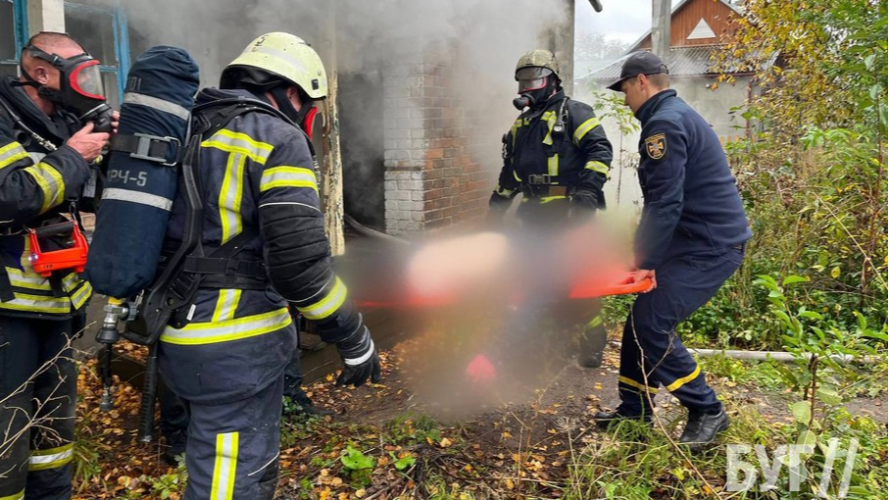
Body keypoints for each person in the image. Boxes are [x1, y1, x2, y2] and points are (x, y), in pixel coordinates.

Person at [154, 32, 381, 499]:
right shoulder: (275, 136)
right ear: (293, 93)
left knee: (209, 454)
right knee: (231, 477)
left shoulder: (186, 129)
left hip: (177, 331)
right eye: (310, 109)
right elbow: (301, 267)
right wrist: (353, 336)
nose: (308, 121)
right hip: (236, 341)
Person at [595, 51, 752, 450]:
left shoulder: (663, 124)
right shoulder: (672, 114)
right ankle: (635, 410)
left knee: (651, 323)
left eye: (625, 89)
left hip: (710, 246)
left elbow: (665, 202)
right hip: (694, 240)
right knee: (639, 321)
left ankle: (707, 410)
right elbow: (668, 202)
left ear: (642, 82)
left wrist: (644, 262)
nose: (624, 99)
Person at [0, 32, 113, 500]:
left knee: (53, 433)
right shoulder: (4, 120)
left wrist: (108, 151)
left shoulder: (62, 121)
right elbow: (10, 197)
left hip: (59, 301)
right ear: (42, 73)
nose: (86, 84)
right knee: (7, 432)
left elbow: (86, 196)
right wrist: (73, 156)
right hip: (9, 313)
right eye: (77, 73)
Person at [488, 49, 613, 368]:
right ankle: (535, 338)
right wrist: (498, 204)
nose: (527, 87)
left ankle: (593, 336)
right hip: (532, 213)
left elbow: (600, 150)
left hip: (568, 211)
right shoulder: (521, 124)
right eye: (522, 80)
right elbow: (511, 171)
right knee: (529, 278)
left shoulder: (575, 112)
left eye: (534, 78)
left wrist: (587, 192)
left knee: (572, 281)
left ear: (553, 81)